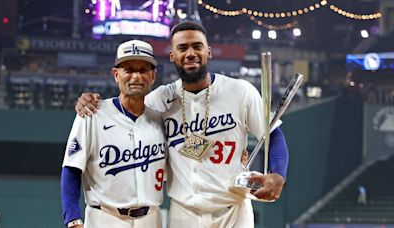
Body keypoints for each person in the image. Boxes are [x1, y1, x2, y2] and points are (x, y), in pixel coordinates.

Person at [75, 21, 289, 228]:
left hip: (233, 210)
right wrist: (90, 102)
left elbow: (273, 134)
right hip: (184, 212)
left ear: (209, 52)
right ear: (173, 56)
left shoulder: (240, 91)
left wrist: (277, 173)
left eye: (197, 46)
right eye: (182, 48)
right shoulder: (158, 99)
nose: (190, 53)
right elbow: (125, 109)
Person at [61, 40, 167, 228]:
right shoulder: (92, 114)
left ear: (153, 76)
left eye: (143, 70)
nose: (136, 77)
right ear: (116, 74)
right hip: (106, 217)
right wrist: (73, 220)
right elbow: (71, 169)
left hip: (151, 218)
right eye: (129, 70)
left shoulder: (162, 119)